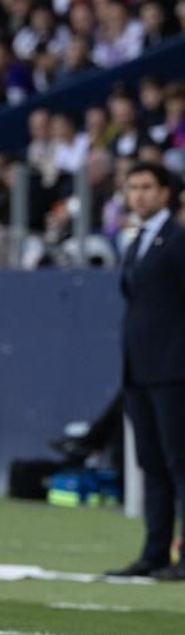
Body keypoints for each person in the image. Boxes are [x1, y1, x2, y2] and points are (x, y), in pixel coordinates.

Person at [105, 161, 185, 580]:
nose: (138, 195)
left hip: (174, 370)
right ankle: (154, 552)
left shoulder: (177, 241)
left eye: (146, 187)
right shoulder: (136, 242)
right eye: (132, 187)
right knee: (152, 465)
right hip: (138, 370)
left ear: (165, 193)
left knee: (180, 464)